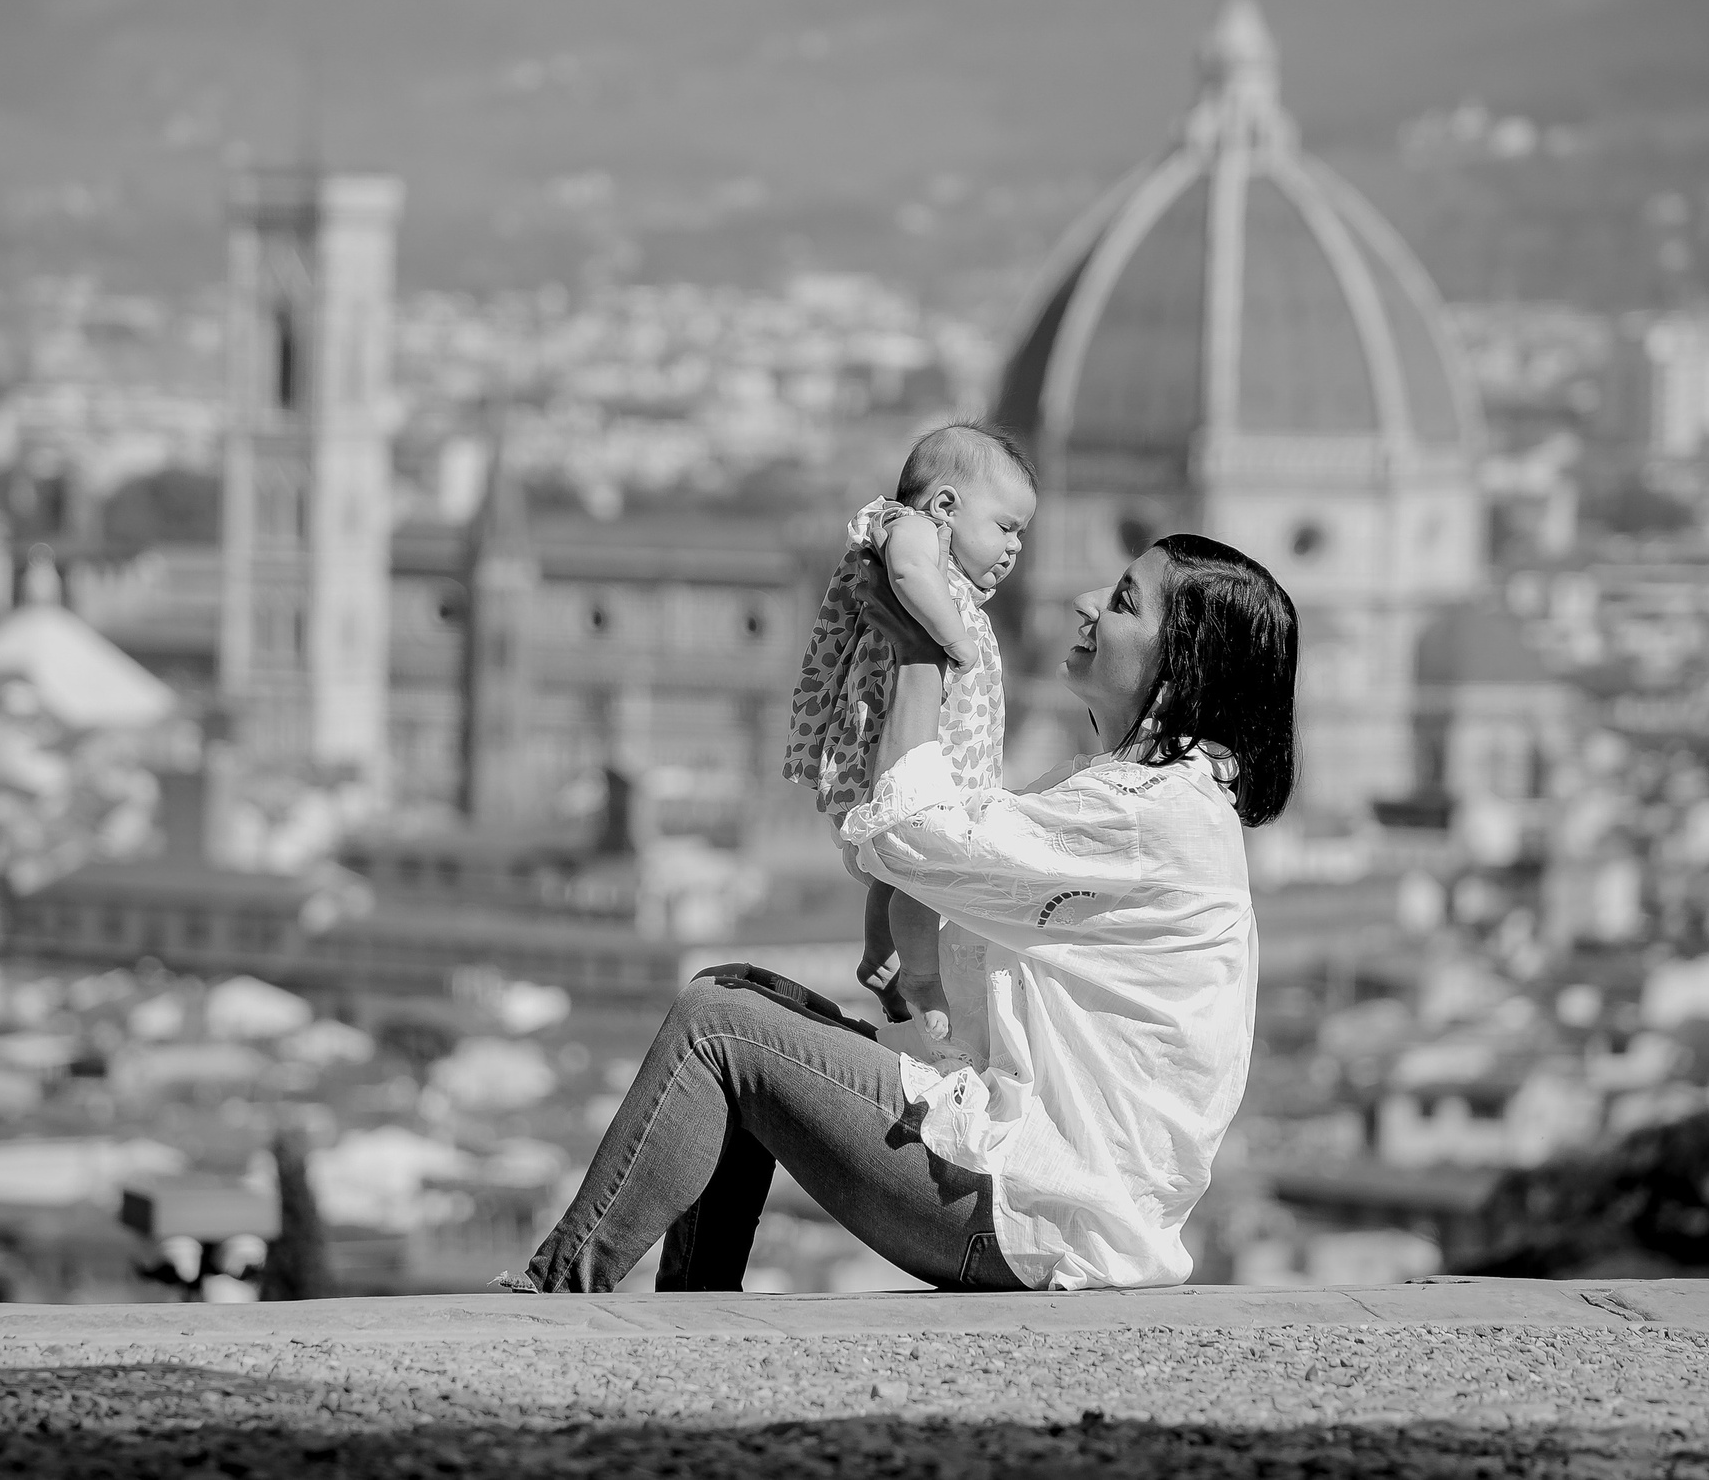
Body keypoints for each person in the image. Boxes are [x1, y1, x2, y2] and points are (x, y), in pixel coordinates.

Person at [498, 533, 1298, 1294]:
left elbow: (909, 831)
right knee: (741, 997)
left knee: (718, 1024)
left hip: (1036, 1212)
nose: (1089, 602)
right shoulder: (1159, 803)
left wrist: (924, 649)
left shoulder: (1147, 811)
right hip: (1058, 1207)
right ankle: (688, 1303)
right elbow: (968, 895)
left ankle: (554, 1296)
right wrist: (910, 975)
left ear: (1181, 663)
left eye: (1125, 601)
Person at [780, 420, 1035, 1044]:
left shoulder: (941, 560)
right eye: (1006, 527)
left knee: (901, 863)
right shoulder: (913, 530)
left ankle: (882, 955)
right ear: (945, 505)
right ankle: (921, 978)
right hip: (901, 741)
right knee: (924, 866)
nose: (1016, 548)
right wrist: (954, 641)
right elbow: (907, 577)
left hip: (930, 750)